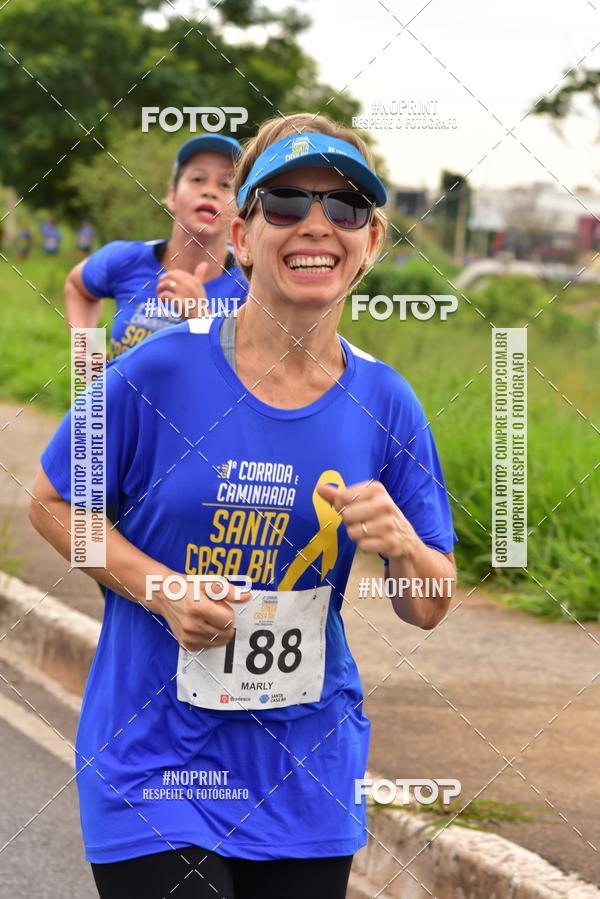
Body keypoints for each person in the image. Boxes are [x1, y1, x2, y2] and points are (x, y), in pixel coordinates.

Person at [29, 113, 457, 899]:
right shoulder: (156, 370)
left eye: (348, 207)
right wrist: (163, 588)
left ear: (370, 243)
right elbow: (54, 501)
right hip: (152, 763)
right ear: (243, 233)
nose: (317, 225)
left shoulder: (386, 401)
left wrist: (403, 546)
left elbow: (428, 605)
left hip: (305, 775)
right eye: (286, 203)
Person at [64, 134, 248, 358]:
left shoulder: (251, 287)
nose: (210, 191)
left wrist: (201, 320)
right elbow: (77, 286)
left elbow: (250, 380)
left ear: (239, 208)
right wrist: (87, 356)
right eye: (198, 179)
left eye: (226, 184)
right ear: (172, 195)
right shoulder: (127, 259)